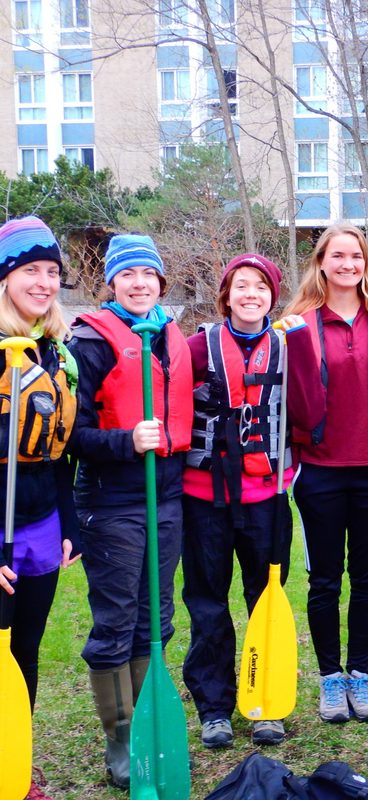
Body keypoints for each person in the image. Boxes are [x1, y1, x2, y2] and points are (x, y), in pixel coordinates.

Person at [68, 234, 193, 788]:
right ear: (111, 283)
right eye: (128, 275)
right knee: (115, 621)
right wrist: (126, 442)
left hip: (165, 498)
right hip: (112, 503)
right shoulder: (89, 342)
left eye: (149, 274)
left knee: (156, 618)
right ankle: (121, 738)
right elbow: (71, 434)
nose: (140, 283)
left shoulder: (170, 336)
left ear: (161, 282)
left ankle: (151, 721)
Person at [181, 253, 319, 749]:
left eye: (261, 286)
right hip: (204, 499)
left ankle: (267, 700)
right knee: (207, 605)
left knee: (266, 599)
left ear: (272, 296)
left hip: (267, 496)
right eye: (241, 286)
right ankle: (214, 707)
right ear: (226, 295)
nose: (251, 295)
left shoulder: (287, 345)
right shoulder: (198, 347)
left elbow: (310, 412)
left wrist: (301, 345)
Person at [282, 223, 368, 724]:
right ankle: (331, 679)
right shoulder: (297, 322)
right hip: (320, 470)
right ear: (321, 262)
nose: (348, 264)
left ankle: (361, 674)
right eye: (338, 256)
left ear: (365, 262)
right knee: (325, 582)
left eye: (356, 256)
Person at [0, 216, 80, 799]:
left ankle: (15, 762)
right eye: (31, 270)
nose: (44, 282)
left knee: (23, 649)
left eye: (52, 272)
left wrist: (70, 521)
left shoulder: (54, 353)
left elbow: (56, 453)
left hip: (41, 527)